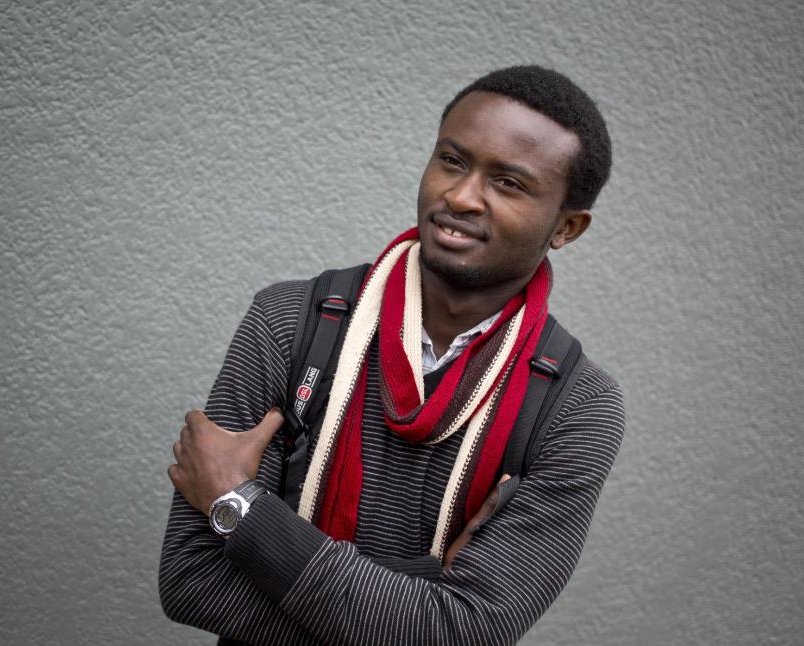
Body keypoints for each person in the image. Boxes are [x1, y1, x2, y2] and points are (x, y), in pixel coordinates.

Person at [159, 65, 625, 645]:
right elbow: (192, 580)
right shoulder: (290, 323)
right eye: (452, 160)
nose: (460, 196)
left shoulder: (577, 407)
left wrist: (241, 510)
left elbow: (465, 632)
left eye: (508, 183)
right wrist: (429, 589)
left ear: (568, 227)